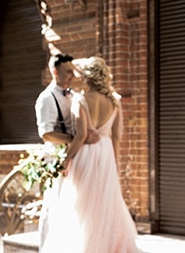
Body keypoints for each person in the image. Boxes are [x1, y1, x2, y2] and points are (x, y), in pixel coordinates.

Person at [41, 56, 141, 253]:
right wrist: (116, 164)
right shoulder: (115, 102)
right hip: (107, 155)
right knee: (104, 206)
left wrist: (65, 160)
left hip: (86, 156)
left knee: (80, 207)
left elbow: (81, 136)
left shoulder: (81, 100)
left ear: (88, 77)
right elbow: (116, 137)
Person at [35, 53, 98, 252]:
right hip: (56, 158)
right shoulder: (46, 98)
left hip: (74, 155)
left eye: (72, 71)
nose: (72, 75)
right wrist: (76, 139)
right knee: (52, 207)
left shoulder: (71, 94)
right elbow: (46, 134)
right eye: (68, 72)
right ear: (55, 72)